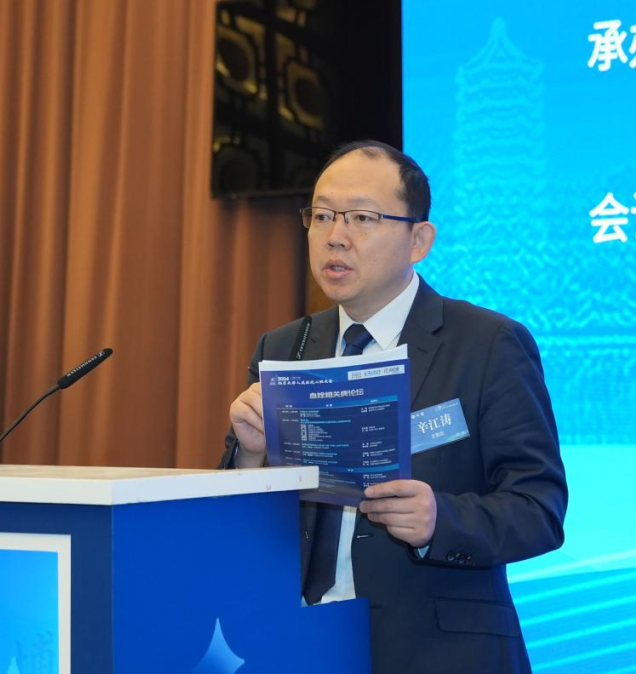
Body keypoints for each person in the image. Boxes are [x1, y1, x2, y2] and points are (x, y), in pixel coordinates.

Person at [220, 140, 567, 674]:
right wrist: (248, 458)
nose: (336, 236)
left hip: (438, 652)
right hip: (300, 646)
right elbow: (238, 525)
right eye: (322, 215)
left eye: (362, 217)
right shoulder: (284, 347)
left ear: (419, 240)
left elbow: (539, 508)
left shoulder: (487, 344)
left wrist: (440, 520)